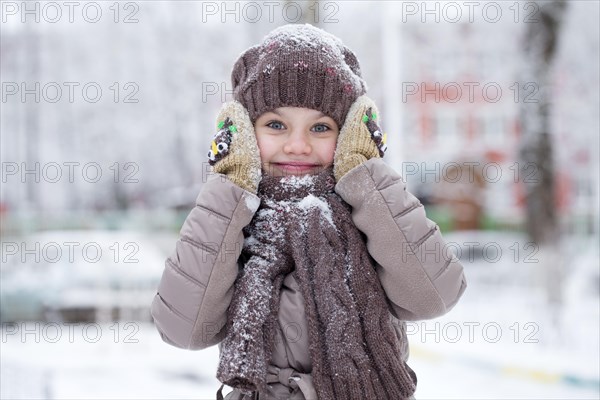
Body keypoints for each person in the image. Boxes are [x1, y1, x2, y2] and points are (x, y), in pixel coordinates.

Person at [150, 23, 467, 400]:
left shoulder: (371, 210)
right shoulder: (234, 218)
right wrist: (231, 187)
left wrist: (364, 176)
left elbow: (434, 295)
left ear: (349, 132)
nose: (297, 145)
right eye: (275, 125)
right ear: (246, 133)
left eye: (320, 127)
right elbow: (183, 328)